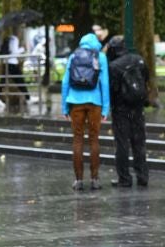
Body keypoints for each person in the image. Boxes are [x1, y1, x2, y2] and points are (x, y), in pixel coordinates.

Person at [61, 32, 110, 191]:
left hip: (75, 103)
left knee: (77, 139)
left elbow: (65, 82)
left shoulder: (74, 56)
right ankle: (95, 179)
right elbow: (105, 83)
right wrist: (105, 107)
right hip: (95, 103)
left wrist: (64, 106)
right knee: (94, 139)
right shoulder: (100, 56)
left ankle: (78, 180)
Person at [106, 36, 149, 188]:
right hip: (137, 108)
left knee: (122, 144)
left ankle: (124, 178)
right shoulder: (139, 60)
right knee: (139, 142)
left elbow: (112, 89)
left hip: (121, 109)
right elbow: (146, 79)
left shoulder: (113, 66)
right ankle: (142, 176)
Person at [0, 35, 37, 109]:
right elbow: (15, 52)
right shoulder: (14, 39)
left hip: (6, 63)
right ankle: (28, 98)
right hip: (12, 63)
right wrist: (22, 49)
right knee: (20, 81)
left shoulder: (8, 38)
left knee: (4, 81)